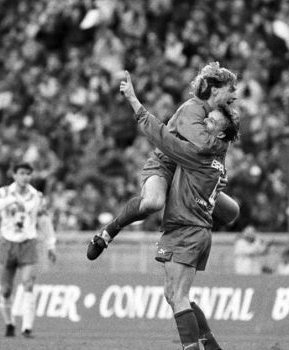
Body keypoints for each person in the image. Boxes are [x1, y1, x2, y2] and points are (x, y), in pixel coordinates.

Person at [119, 70, 239, 350]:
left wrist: (133, 100)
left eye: (213, 124)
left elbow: (159, 134)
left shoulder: (197, 152)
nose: (206, 124)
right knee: (173, 294)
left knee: (179, 296)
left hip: (187, 228)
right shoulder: (217, 157)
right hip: (193, 229)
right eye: (207, 120)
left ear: (220, 134)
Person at [86, 62, 240, 261]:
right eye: (231, 90)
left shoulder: (219, 119)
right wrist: (136, 105)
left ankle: (190, 227)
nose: (235, 96)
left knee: (231, 212)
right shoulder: (192, 110)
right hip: (167, 165)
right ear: (216, 91)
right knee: (153, 202)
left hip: (194, 173)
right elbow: (201, 146)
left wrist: (217, 176)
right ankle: (108, 232)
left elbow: (216, 156)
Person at [0, 161, 56, 338]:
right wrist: (10, 200)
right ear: (14, 175)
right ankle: (9, 323)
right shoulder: (4, 193)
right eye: (22, 173)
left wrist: (51, 244)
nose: (25, 177)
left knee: (28, 283)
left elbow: (44, 221)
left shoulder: (37, 196)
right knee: (6, 290)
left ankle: (27, 327)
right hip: (8, 242)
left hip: (28, 242)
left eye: (28, 174)